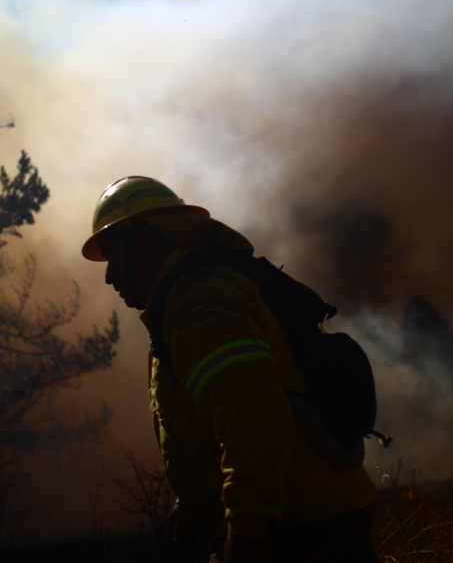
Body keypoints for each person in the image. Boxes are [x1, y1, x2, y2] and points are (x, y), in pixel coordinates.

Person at [82, 176, 379, 563]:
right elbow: (216, 417)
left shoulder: (200, 303)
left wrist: (248, 529)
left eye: (113, 256)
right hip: (307, 515)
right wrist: (196, 496)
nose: (109, 276)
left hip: (298, 525)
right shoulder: (193, 294)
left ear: (142, 243)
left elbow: (253, 419)